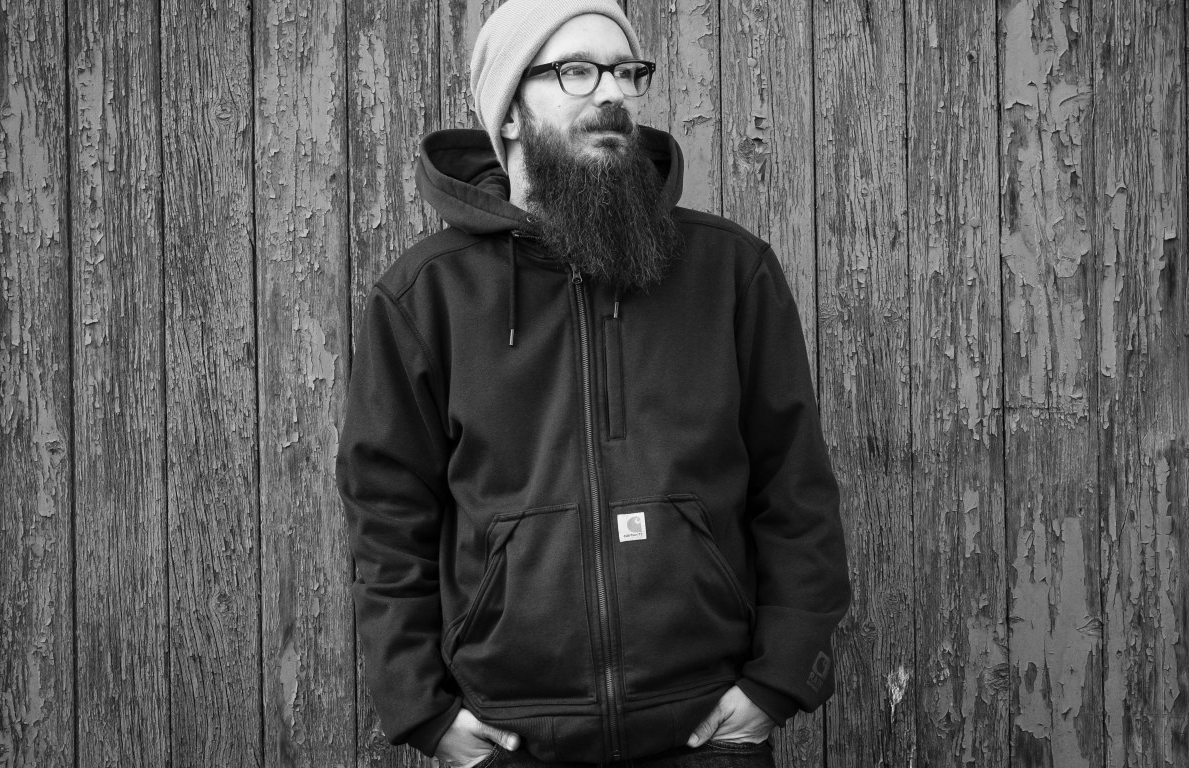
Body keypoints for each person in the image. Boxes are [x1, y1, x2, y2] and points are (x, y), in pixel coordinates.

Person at [336, 1, 852, 766]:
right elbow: (387, 517)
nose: (611, 92)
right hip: (511, 739)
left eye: (625, 71)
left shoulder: (729, 272)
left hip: (707, 733)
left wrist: (779, 681)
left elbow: (795, 486)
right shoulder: (426, 297)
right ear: (510, 112)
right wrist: (424, 711)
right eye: (575, 71)